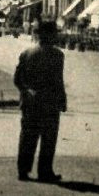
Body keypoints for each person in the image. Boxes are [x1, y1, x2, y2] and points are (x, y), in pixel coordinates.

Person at [13, 21, 67, 182]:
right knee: (48, 139)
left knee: (27, 137)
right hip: (50, 103)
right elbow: (58, 81)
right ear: (50, 35)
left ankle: (23, 170)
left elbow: (17, 79)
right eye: (55, 33)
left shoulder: (26, 53)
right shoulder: (58, 55)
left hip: (30, 103)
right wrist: (63, 99)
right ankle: (45, 171)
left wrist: (26, 91)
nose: (57, 36)